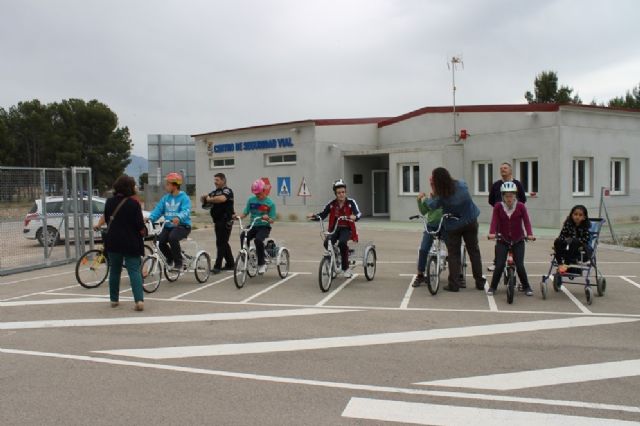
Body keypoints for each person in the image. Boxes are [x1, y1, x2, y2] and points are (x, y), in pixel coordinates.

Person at [426, 167, 485, 292]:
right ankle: (480, 282)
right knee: (474, 251)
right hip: (470, 221)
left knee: (454, 254)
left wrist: (432, 192)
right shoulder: (462, 185)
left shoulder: (441, 195)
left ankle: (454, 284)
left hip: (454, 226)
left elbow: (431, 205)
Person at [98, 175, 147, 311]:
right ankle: (138, 301)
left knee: (114, 270)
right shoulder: (134, 204)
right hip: (131, 241)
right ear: (129, 187)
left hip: (113, 241)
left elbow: (108, 220)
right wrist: (144, 231)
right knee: (134, 271)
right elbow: (139, 225)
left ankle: (114, 300)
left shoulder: (109, 202)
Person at [487, 182, 536, 296]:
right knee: (499, 265)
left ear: (515, 195)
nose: (509, 198)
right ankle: (493, 287)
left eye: (511, 195)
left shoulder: (520, 206)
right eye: (507, 196)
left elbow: (526, 221)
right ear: (503, 196)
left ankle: (526, 286)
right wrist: (492, 233)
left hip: (518, 239)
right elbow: (494, 221)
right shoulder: (498, 206)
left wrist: (529, 234)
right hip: (502, 239)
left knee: (519, 265)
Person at [307, 179, 361, 278]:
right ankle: (335, 259)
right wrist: (313, 216)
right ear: (335, 193)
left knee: (342, 243)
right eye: (339, 193)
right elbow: (322, 215)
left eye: (343, 192)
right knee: (326, 243)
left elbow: (358, 213)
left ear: (345, 192)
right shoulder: (332, 204)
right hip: (334, 229)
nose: (341, 194)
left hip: (347, 228)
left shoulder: (351, 202)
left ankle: (346, 268)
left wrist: (355, 216)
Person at [148, 172, 192, 272]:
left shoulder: (184, 198)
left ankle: (178, 263)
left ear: (175, 185)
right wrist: (150, 218)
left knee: (172, 238)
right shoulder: (165, 198)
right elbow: (158, 210)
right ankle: (170, 257)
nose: (166, 186)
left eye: (168, 184)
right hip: (168, 226)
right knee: (159, 242)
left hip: (183, 226)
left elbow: (186, 211)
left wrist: (178, 217)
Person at [487, 162, 527, 271]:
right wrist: (499, 209)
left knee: (515, 238)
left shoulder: (518, 184)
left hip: (514, 217)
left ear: (510, 170)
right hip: (500, 218)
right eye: (501, 168)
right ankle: (497, 262)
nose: (502, 170)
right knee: (500, 240)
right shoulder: (496, 185)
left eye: (505, 168)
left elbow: (523, 199)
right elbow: (491, 200)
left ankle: (515, 259)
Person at [236, 179, 276, 274]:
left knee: (258, 240)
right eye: (255, 193)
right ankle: (246, 259)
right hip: (253, 225)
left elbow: (272, 220)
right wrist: (237, 217)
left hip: (264, 226)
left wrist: (267, 218)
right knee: (243, 236)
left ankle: (261, 264)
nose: (257, 195)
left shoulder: (270, 203)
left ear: (263, 190)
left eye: (258, 193)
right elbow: (245, 213)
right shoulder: (251, 200)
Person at [201, 173, 235, 274]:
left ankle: (217, 266)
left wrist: (210, 199)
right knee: (223, 242)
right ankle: (230, 264)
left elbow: (222, 199)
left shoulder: (227, 191)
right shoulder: (215, 192)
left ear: (223, 181)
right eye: (215, 180)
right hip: (217, 220)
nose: (215, 182)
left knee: (220, 243)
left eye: (217, 180)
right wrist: (204, 197)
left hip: (226, 220)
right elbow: (204, 200)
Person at [412, 191, 444, 287]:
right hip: (430, 226)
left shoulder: (444, 197)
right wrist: (419, 200)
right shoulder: (430, 199)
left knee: (453, 247)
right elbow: (423, 211)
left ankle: (457, 275)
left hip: (444, 226)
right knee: (423, 249)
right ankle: (420, 274)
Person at [554, 205, 592, 274]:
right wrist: (565, 241)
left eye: (580, 215)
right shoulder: (568, 225)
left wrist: (572, 240)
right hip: (567, 248)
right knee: (558, 240)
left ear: (584, 217)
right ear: (571, 215)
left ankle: (566, 264)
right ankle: (560, 264)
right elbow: (562, 236)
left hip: (580, 250)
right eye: (575, 214)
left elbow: (585, 240)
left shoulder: (585, 227)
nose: (577, 217)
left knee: (574, 241)